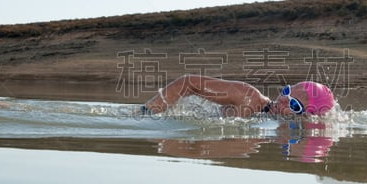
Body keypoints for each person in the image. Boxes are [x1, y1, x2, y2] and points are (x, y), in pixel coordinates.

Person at [141, 74, 336, 117]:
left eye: (294, 105)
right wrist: (146, 114)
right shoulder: (248, 97)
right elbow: (187, 83)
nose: (282, 100)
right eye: (286, 92)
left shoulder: (262, 134)